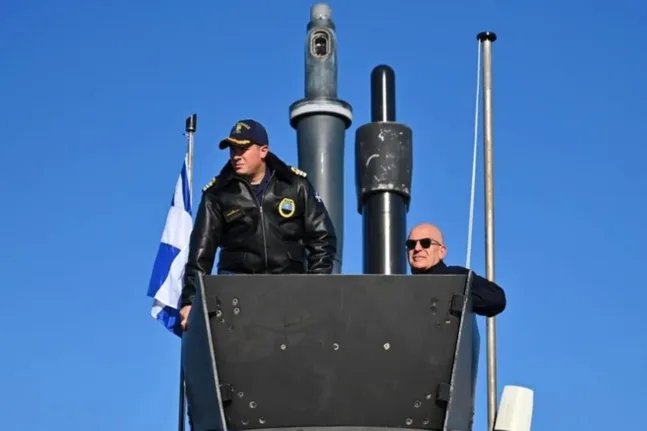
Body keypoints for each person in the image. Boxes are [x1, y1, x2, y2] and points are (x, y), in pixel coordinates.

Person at [179, 119, 337, 330]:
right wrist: (191, 300)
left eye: (243, 149)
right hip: (237, 295)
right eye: (232, 149)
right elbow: (201, 253)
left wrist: (314, 285)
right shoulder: (217, 194)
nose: (236, 155)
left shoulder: (295, 185)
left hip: (290, 289)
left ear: (263, 151)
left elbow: (322, 238)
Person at [406, 222, 506, 317]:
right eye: (411, 244)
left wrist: (460, 301)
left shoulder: (457, 276)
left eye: (425, 243)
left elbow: (496, 299)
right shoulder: (404, 289)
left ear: (442, 251)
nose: (417, 248)